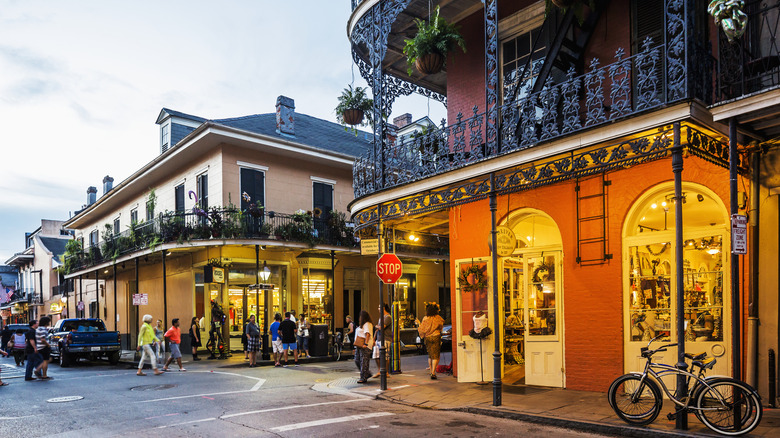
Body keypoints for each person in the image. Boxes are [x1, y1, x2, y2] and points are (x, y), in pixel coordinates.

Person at [418, 303, 445, 380]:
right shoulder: (438, 318)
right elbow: (441, 326)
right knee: (436, 355)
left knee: (430, 355)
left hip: (428, 338)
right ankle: (433, 372)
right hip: (436, 336)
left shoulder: (425, 318)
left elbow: (422, 329)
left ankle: (431, 371)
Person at [372, 304, 393, 378]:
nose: (378, 309)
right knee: (376, 355)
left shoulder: (388, 317)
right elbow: (378, 329)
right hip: (379, 339)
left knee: (386, 356)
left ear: (383, 308)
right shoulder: (381, 318)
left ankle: (386, 372)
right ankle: (379, 371)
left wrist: (377, 327)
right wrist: (374, 339)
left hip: (386, 339)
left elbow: (381, 327)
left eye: (379, 307)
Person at [356, 310, 374, 383]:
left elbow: (368, 334)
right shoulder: (364, 325)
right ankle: (366, 373)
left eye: (361, 316)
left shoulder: (367, 324)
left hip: (365, 345)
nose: (359, 318)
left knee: (364, 361)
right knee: (357, 359)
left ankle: (363, 377)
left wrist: (366, 344)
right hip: (360, 345)